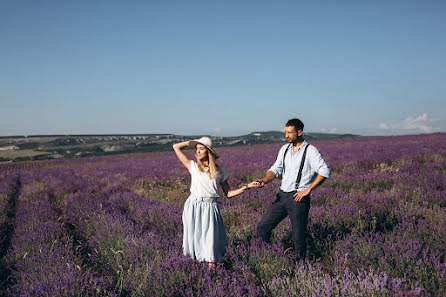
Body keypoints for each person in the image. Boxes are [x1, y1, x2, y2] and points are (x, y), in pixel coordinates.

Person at [173, 136, 259, 271]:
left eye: (201, 149)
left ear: (208, 151)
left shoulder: (219, 171)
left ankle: (211, 272)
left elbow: (228, 193)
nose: (198, 152)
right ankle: (195, 271)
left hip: (210, 207)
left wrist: (246, 187)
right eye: (196, 149)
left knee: (210, 240)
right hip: (193, 206)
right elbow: (176, 147)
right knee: (193, 238)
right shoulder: (193, 166)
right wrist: (191, 143)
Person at [255, 118, 331, 261]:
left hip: (298, 199)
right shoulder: (284, 149)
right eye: (285, 132)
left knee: (298, 235)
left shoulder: (310, 151)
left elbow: (325, 171)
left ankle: (300, 267)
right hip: (282, 196)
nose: (287, 136)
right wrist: (264, 180)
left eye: (290, 132)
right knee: (263, 227)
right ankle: (268, 258)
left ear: (300, 132)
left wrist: (308, 190)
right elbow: (275, 169)